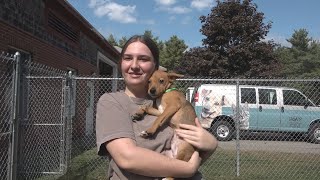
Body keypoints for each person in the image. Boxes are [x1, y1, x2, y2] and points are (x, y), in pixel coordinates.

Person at [96, 35, 218, 180]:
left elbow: (187, 153)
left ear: (155, 65)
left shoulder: (163, 101)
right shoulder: (111, 102)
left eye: (143, 59)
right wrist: (189, 169)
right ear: (120, 63)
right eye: (128, 58)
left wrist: (210, 146)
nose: (134, 65)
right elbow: (127, 158)